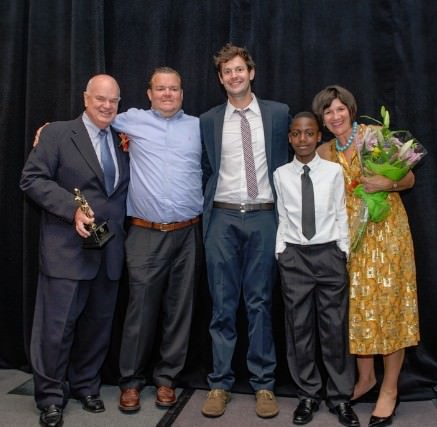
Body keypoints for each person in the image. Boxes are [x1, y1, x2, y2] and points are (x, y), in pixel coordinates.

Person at [20, 74, 130, 427]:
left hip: (108, 250)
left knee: (97, 327)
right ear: (85, 98)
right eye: (100, 98)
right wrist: (72, 208)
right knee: (56, 328)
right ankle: (51, 396)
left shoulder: (123, 139)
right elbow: (32, 179)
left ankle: (86, 385)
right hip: (67, 252)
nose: (106, 105)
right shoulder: (56, 134)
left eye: (113, 100)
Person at [312, 85, 420, 427]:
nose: (335, 116)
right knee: (357, 309)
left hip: (387, 234)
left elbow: (410, 178)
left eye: (340, 109)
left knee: (390, 309)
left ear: (351, 109)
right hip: (350, 239)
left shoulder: (374, 135)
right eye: (328, 112)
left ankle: (389, 389)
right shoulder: (324, 151)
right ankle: (365, 379)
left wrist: (384, 184)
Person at [200, 43, 290, 419]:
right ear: (220, 79)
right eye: (227, 72)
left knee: (260, 302)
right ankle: (220, 382)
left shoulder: (278, 114)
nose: (234, 76)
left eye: (240, 69)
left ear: (250, 72)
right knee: (222, 305)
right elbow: (204, 168)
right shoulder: (208, 120)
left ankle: (264, 384)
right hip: (222, 218)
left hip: (264, 217)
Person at [114, 67, 203, 413]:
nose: (167, 94)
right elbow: (95, 118)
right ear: (149, 93)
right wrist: (51, 129)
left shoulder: (198, 127)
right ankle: (131, 382)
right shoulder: (131, 121)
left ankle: (167, 380)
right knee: (140, 311)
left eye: (174, 89)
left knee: (180, 311)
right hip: (144, 232)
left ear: (182, 93)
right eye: (161, 89)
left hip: (187, 233)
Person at [274, 112, 360, 427]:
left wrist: (343, 250)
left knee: (334, 328)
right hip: (295, 256)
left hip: (328, 254)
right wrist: (281, 250)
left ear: (318, 136)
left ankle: (340, 397)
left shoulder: (334, 172)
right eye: (296, 133)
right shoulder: (280, 174)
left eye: (309, 133)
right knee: (299, 330)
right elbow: (283, 215)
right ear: (289, 138)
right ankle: (307, 394)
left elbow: (339, 212)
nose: (302, 139)